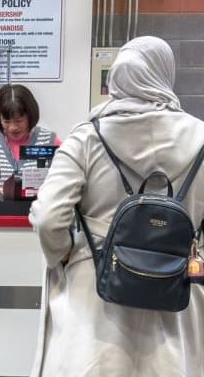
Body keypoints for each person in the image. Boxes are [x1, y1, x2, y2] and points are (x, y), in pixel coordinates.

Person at [29, 36, 204, 376]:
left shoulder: (87, 137)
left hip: (95, 301)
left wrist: (63, 255)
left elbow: (50, 217)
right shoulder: (201, 137)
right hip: (178, 297)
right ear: (165, 74)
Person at [0, 84, 59, 194]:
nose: (13, 128)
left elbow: (62, 183)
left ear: (30, 115)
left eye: (19, 121)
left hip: (36, 208)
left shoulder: (50, 141)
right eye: (6, 122)